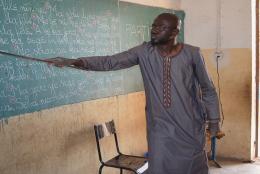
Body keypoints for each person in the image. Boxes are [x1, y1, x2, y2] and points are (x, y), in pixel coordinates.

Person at [47, 13, 220, 174]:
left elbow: (208, 89)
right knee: (159, 165)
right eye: (153, 26)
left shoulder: (192, 53)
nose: (154, 30)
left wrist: (214, 120)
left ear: (175, 32)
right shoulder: (144, 52)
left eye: (161, 27)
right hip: (160, 126)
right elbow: (110, 62)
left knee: (192, 167)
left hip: (189, 125)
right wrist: (76, 61)